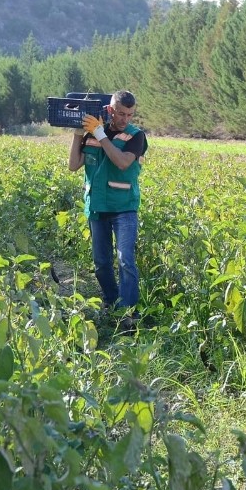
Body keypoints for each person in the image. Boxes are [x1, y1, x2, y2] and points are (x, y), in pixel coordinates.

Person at [68, 90, 148, 332]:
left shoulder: (136, 136)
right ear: (110, 109)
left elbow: (123, 162)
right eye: (121, 113)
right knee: (101, 262)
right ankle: (112, 303)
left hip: (124, 207)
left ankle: (128, 314)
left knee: (125, 260)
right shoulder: (93, 132)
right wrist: (78, 133)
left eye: (130, 114)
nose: (125, 119)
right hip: (98, 206)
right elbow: (73, 165)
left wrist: (101, 134)